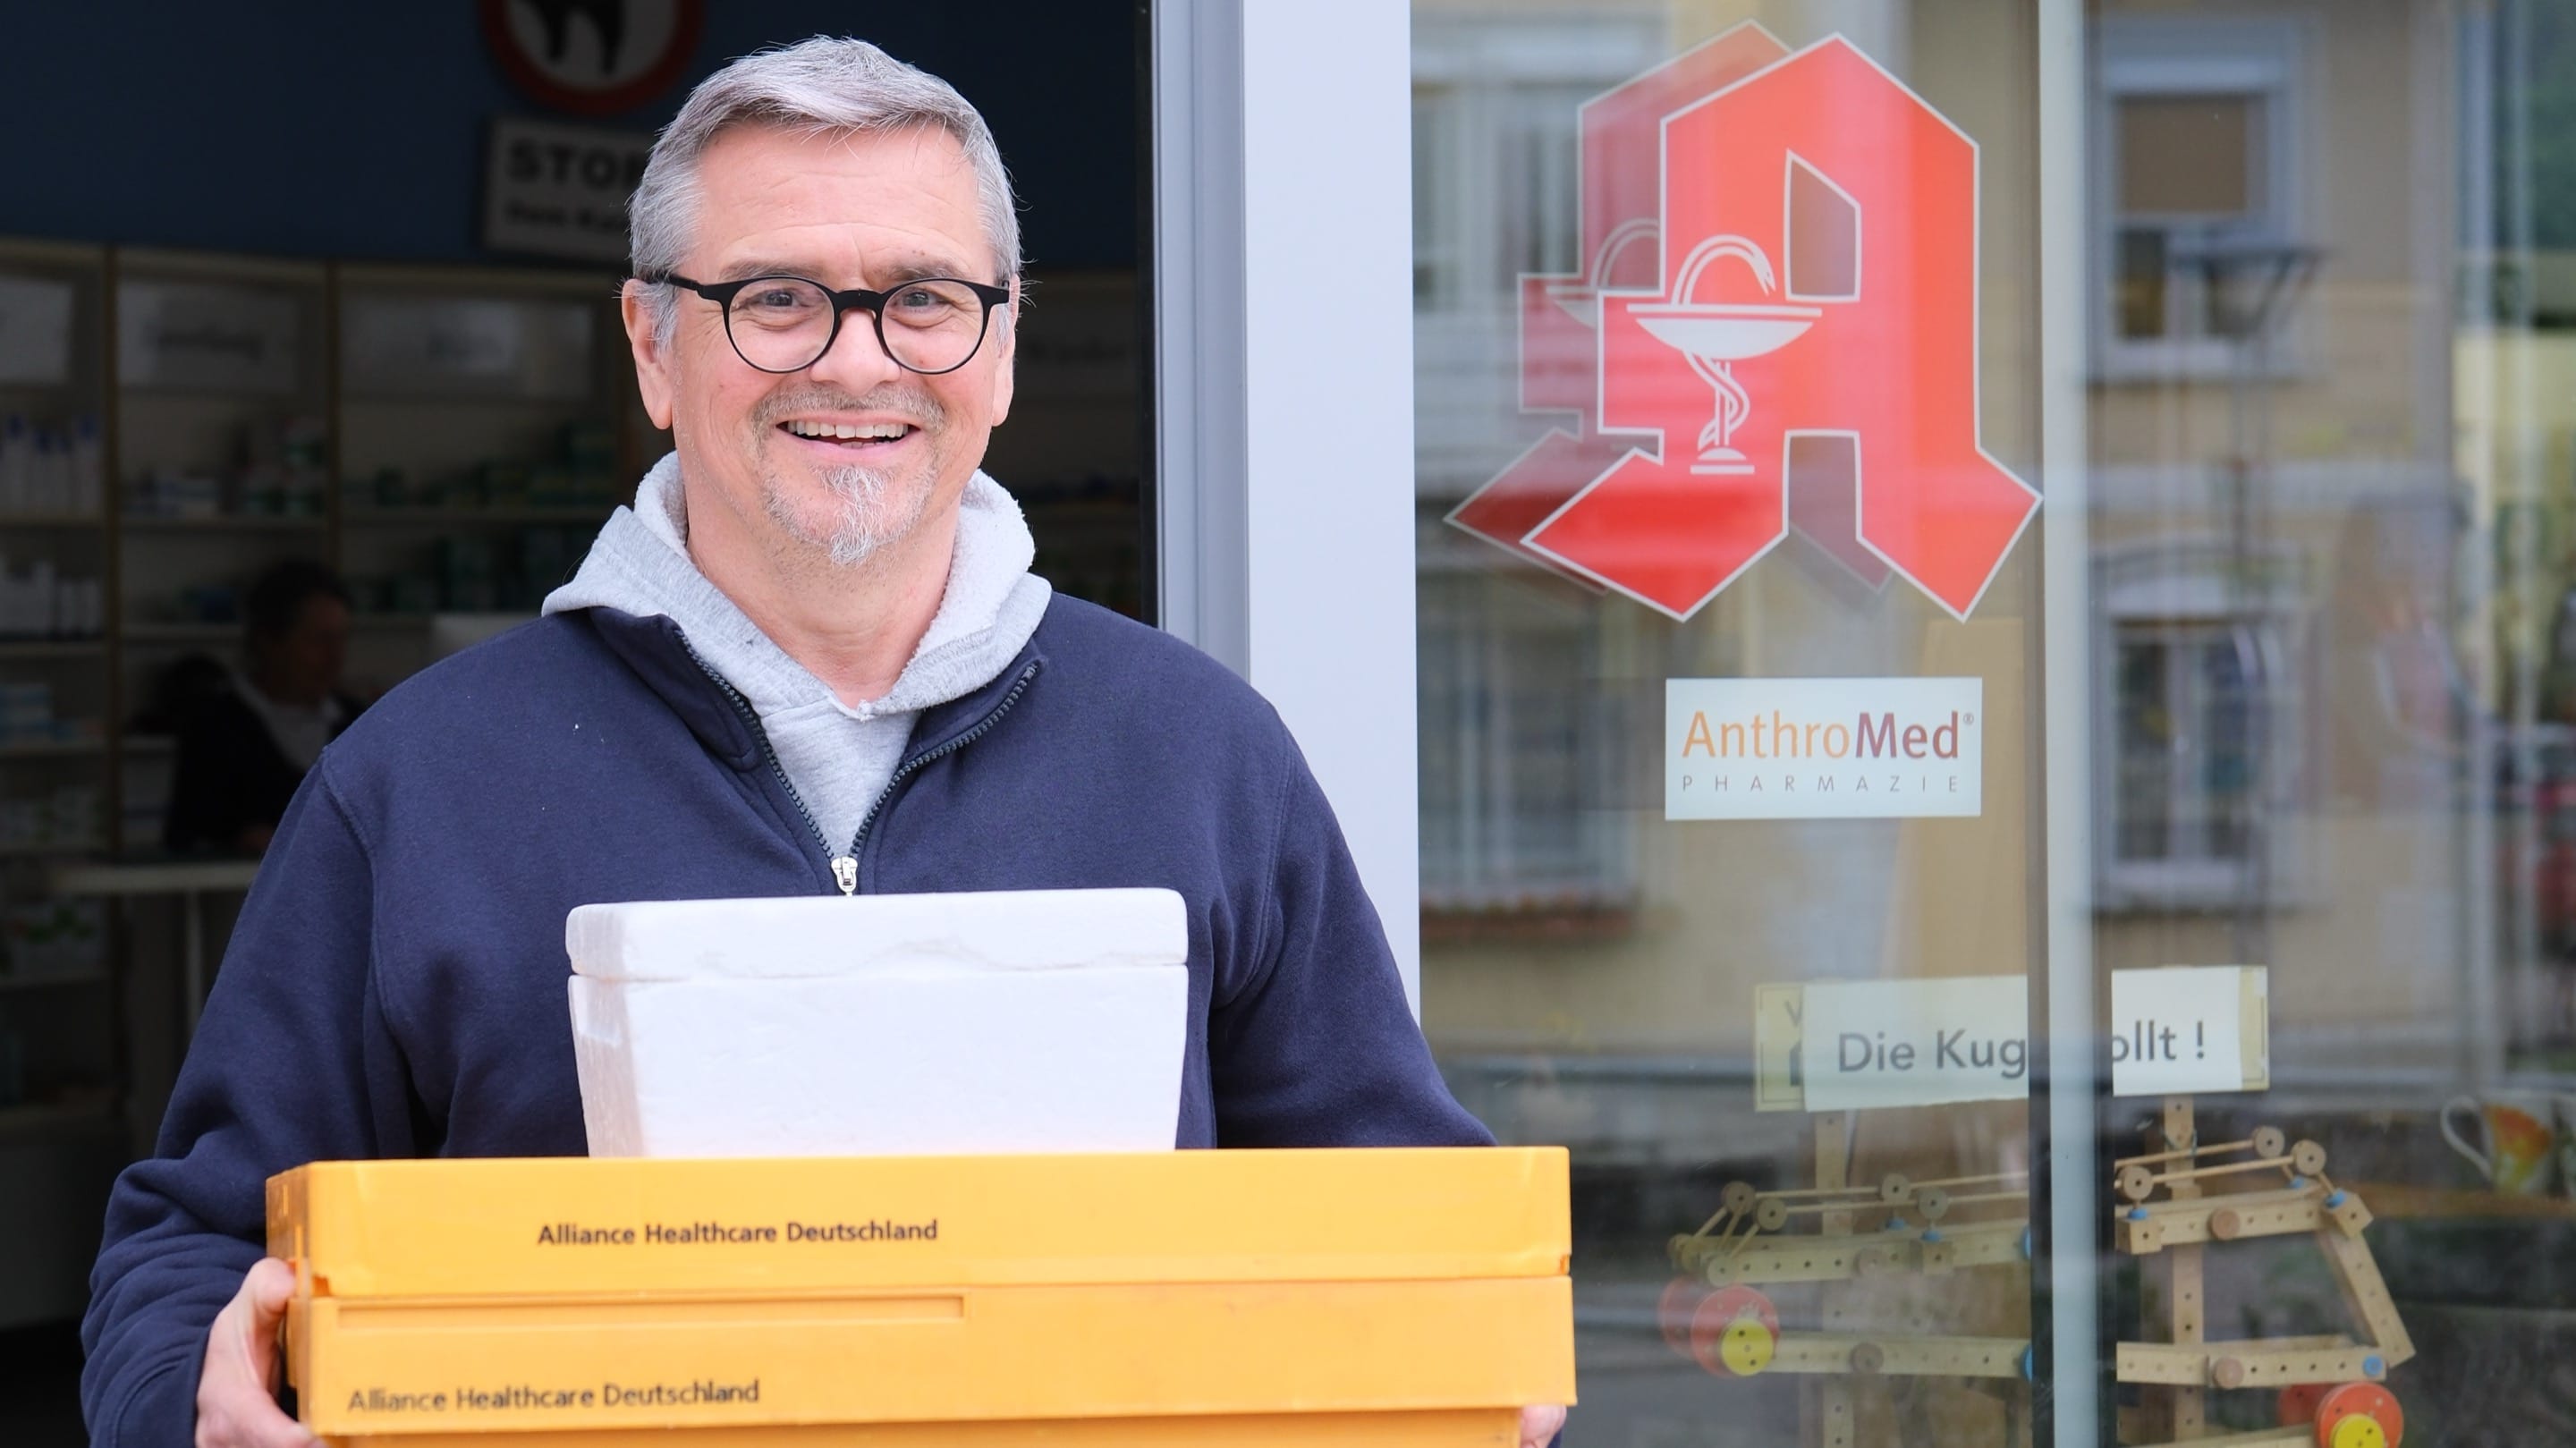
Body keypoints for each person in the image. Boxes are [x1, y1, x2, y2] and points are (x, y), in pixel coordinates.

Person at [80, 38, 1564, 1448]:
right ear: (654, 346)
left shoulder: (1200, 750)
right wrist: (192, 1383)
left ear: (999, 350)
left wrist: (1476, 1341)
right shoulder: (413, 782)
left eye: (924, 298)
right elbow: (190, 1242)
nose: (858, 362)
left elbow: (1403, 1210)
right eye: (777, 297)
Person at [161, 559, 360, 855]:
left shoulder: (357, 722)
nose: (336, 658)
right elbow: (185, 834)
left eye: (341, 640)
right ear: (269, 641)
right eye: (319, 641)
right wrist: (240, 840)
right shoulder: (216, 725)